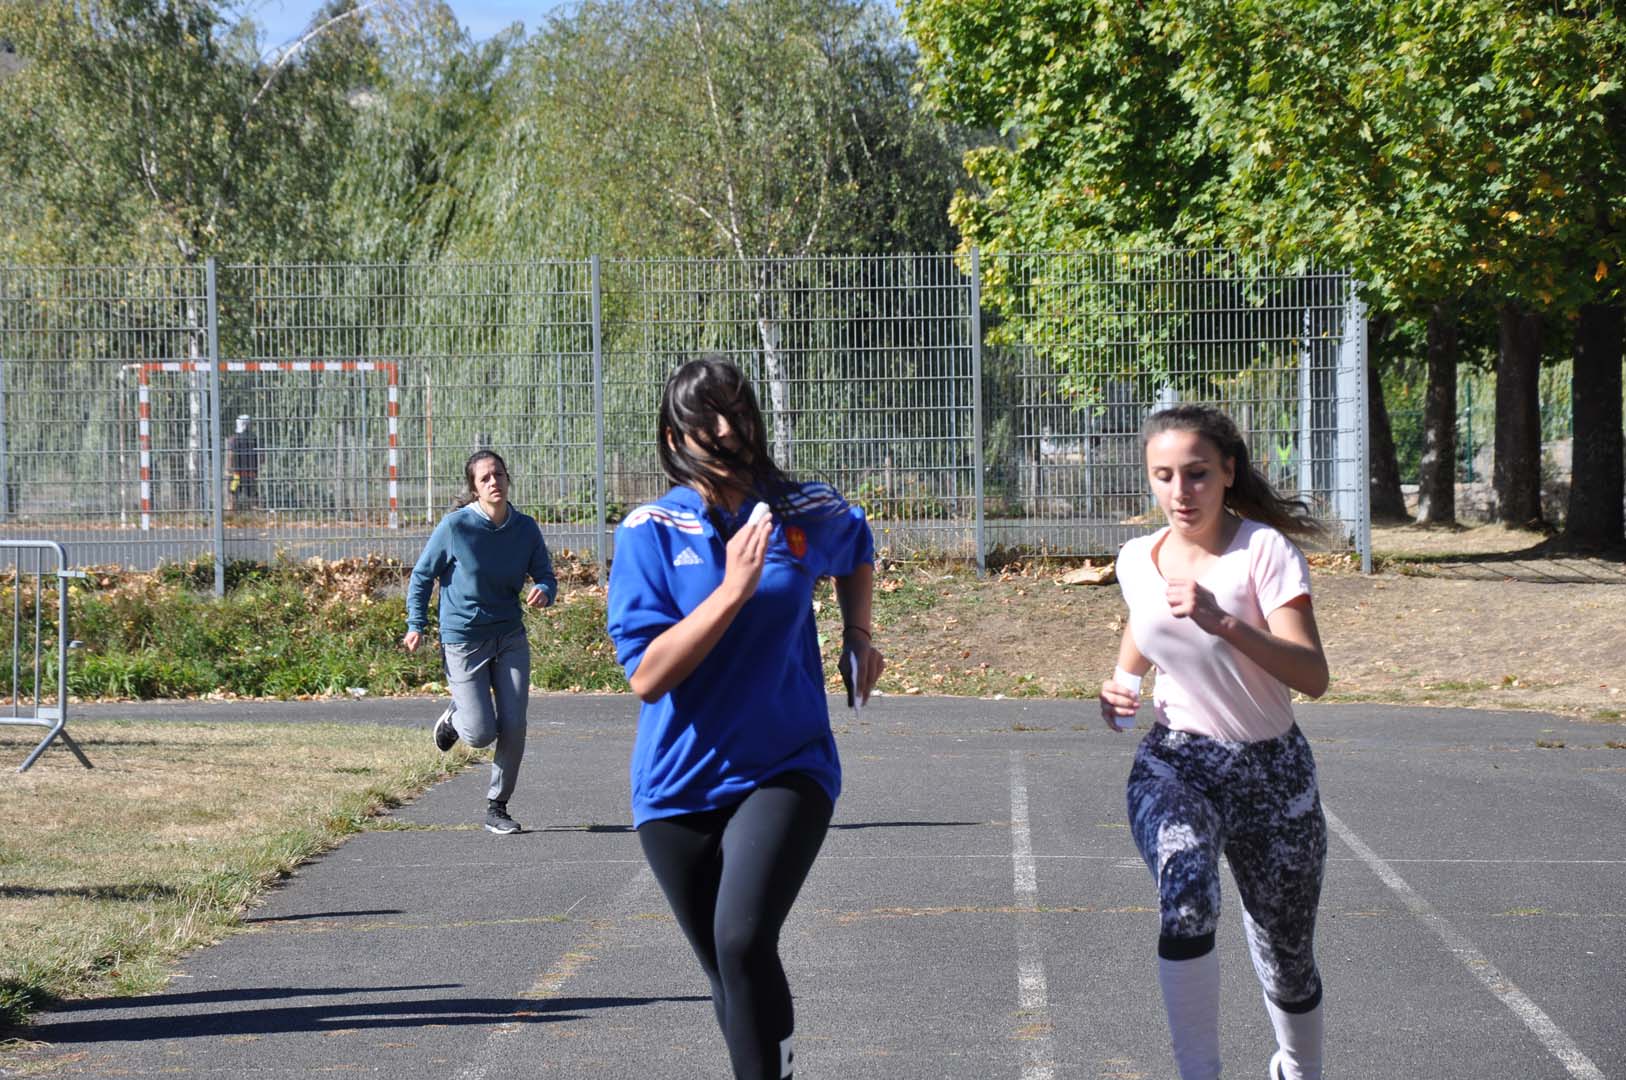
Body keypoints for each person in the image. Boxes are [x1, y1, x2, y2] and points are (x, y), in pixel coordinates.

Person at [605, 356, 883, 1080]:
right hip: (676, 788)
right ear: (674, 434)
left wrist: (860, 635)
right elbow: (648, 675)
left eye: (738, 411)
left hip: (787, 764)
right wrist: (731, 591)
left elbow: (855, 546)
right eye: (707, 419)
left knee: (742, 939)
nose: (728, 431)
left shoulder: (799, 509)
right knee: (728, 975)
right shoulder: (651, 529)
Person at [1099, 404, 1331, 1080]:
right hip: (1178, 763)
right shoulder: (1136, 558)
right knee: (1188, 893)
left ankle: (1297, 1066)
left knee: (1287, 959)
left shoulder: (1264, 552)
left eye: (1196, 474)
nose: (1180, 492)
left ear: (1229, 472)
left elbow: (1312, 675)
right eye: (1163, 476)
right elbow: (1144, 625)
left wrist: (1223, 621)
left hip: (1273, 775)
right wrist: (1121, 682)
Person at [403, 450, 557, 835]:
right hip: (464, 640)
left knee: (515, 724)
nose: (494, 482)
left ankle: (497, 806)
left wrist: (543, 589)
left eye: (500, 475)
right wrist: (416, 623)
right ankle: (456, 718)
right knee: (480, 732)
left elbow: (546, 575)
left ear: (508, 480)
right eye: (486, 477)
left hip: (509, 636)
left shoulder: (525, 528)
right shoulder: (456, 527)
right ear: (474, 487)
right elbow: (422, 577)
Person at [225, 414, 262, 512]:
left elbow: (230, 454)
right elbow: (261, 454)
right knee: (252, 493)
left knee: (233, 491)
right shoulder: (254, 439)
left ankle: (232, 512)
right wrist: (258, 466)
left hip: (236, 473)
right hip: (250, 472)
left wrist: (229, 469)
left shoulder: (233, 439)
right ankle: (256, 513)